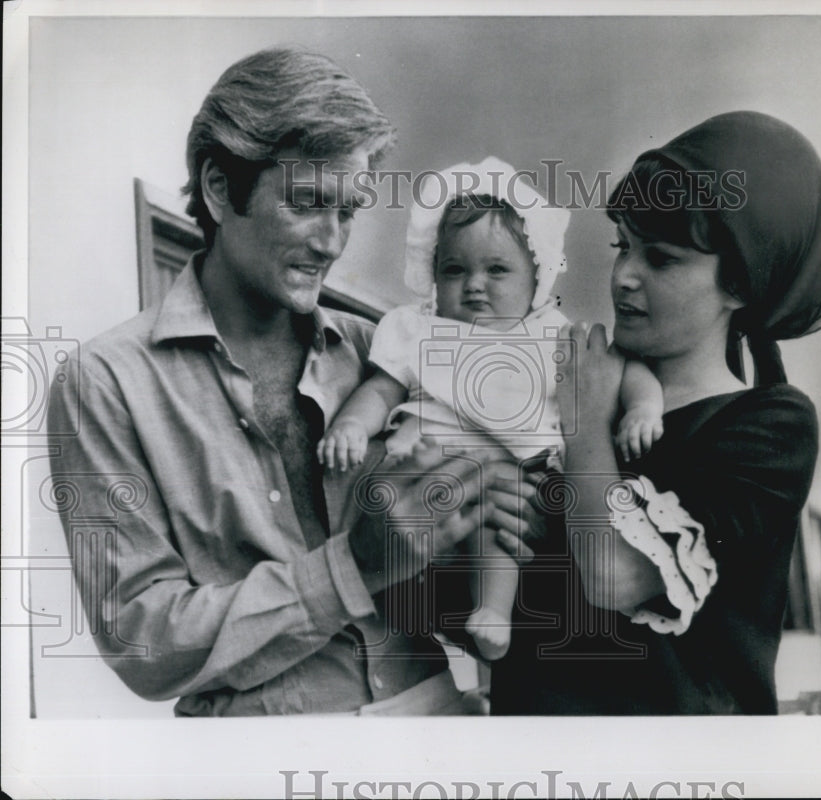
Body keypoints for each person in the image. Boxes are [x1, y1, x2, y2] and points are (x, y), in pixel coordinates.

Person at [44, 47, 537, 716]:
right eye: (308, 203)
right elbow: (141, 641)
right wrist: (349, 570)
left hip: (441, 721)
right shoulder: (105, 383)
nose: (333, 242)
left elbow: (455, 563)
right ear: (221, 189)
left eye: (349, 211)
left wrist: (494, 517)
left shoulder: (377, 350)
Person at [490, 111, 821, 715]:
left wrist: (583, 421)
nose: (623, 276)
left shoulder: (773, 423)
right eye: (623, 247)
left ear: (738, 285)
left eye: (660, 259)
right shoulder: (597, 400)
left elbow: (615, 578)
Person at [319, 157, 665, 661]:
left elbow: (626, 372)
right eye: (454, 270)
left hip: (516, 478)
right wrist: (351, 424)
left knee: (499, 517)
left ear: (536, 280)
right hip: (426, 471)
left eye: (497, 270)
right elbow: (382, 389)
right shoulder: (418, 329)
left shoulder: (551, 333)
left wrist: (643, 409)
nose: (474, 284)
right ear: (433, 276)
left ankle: (492, 612)